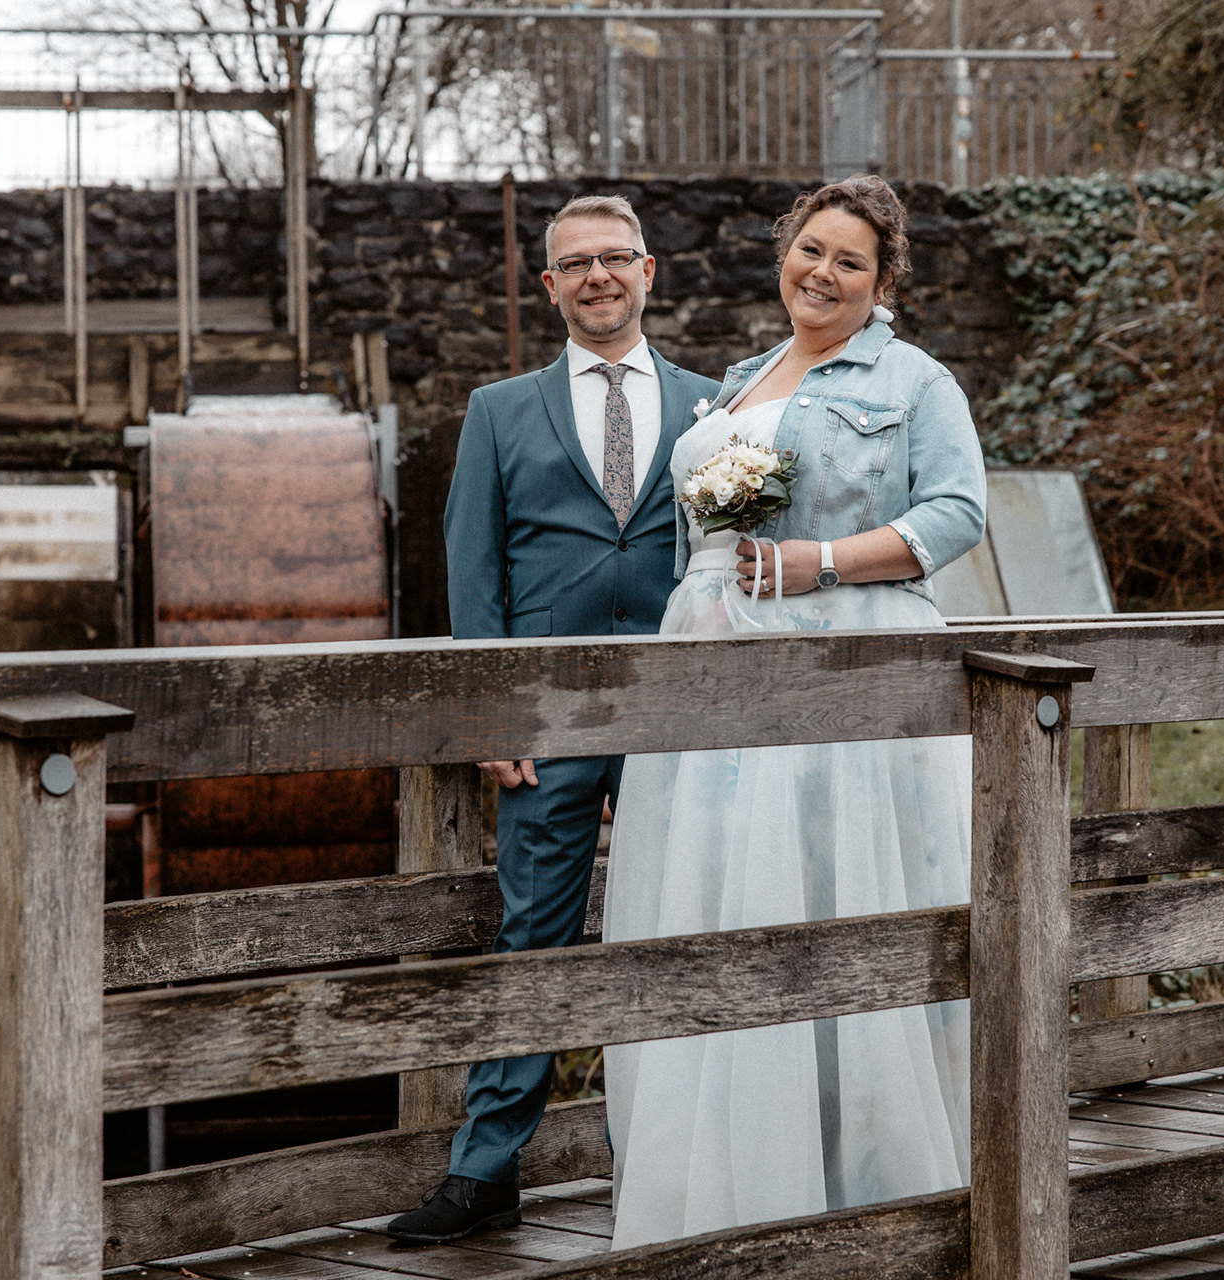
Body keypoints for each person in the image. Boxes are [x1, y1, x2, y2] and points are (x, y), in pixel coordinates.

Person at [601, 174, 988, 1249]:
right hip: (715, 681)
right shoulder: (737, 379)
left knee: (833, 901)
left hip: (840, 676)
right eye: (810, 250)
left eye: (850, 261)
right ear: (785, 252)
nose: (823, 272)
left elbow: (957, 512)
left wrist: (817, 563)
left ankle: (870, 1192)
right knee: (719, 908)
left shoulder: (914, 379)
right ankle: (730, 1190)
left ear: (883, 281)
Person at [386, 195, 720, 1245]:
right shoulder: (498, 409)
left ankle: (693, 1155)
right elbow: (471, 568)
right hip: (550, 719)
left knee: (691, 928)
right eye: (573, 265)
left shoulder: (719, 408)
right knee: (535, 933)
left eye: (614, 259)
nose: (596, 278)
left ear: (649, 270)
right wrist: (490, 708)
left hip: (681, 716)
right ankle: (485, 1170)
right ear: (548, 285)